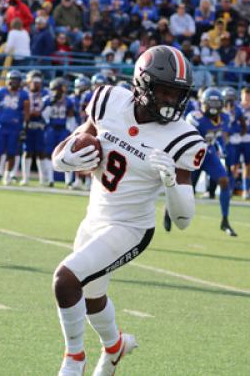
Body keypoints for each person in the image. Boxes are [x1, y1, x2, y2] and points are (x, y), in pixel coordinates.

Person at [51, 46, 205, 375]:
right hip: (94, 218)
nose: (170, 101)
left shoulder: (184, 138)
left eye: (177, 94)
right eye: (164, 90)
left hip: (131, 229)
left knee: (66, 279)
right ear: (141, 84)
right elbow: (70, 147)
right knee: (92, 297)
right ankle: (115, 347)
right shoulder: (108, 100)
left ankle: (73, 359)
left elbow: (183, 219)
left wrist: (170, 182)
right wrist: (65, 158)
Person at [187, 88, 237, 236]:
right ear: (203, 103)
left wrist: (221, 147)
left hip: (209, 154)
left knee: (224, 181)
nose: (214, 106)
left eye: (217, 102)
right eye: (211, 102)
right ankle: (168, 211)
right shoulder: (195, 117)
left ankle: (225, 220)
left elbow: (219, 135)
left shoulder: (224, 117)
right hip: (192, 156)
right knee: (185, 192)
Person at [0, 70, 29, 185]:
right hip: (1, 126)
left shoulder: (24, 95)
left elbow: (26, 113)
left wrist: (24, 128)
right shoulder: (0, 92)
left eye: (15, 80)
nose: (12, 82)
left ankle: (8, 176)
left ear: (19, 82)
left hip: (15, 127)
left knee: (11, 153)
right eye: (11, 79)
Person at [41, 78, 75, 188]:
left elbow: (70, 117)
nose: (65, 88)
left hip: (63, 129)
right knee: (48, 153)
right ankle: (50, 179)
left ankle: (68, 181)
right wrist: (51, 104)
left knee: (66, 153)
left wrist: (72, 131)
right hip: (51, 128)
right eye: (63, 86)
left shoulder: (68, 100)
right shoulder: (47, 99)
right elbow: (44, 116)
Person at [21, 70, 48, 186]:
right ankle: (25, 178)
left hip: (40, 125)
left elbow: (47, 109)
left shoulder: (46, 93)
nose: (36, 84)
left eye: (38, 81)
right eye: (34, 81)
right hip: (27, 125)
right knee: (27, 151)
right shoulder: (24, 92)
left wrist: (40, 113)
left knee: (41, 152)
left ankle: (43, 178)